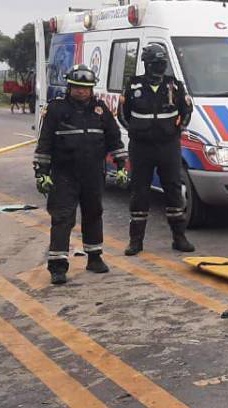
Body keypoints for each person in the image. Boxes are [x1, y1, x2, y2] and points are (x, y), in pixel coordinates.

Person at [33, 64, 126, 285]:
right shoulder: (56, 109)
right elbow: (44, 143)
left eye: (85, 88)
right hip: (64, 174)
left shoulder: (101, 110)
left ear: (92, 89)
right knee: (62, 217)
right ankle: (58, 266)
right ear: (70, 86)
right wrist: (41, 173)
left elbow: (114, 139)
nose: (81, 91)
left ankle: (94, 257)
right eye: (76, 87)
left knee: (93, 213)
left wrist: (121, 166)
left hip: (93, 172)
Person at [119, 42, 195, 255]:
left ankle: (179, 238)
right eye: (153, 64)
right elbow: (122, 114)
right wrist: (134, 131)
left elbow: (187, 111)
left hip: (168, 146)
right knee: (139, 191)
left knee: (173, 190)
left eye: (161, 63)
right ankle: (136, 241)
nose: (158, 67)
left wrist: (176, 131)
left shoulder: (175, 85)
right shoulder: (133, 86)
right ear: (145, 64)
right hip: (141, 147)